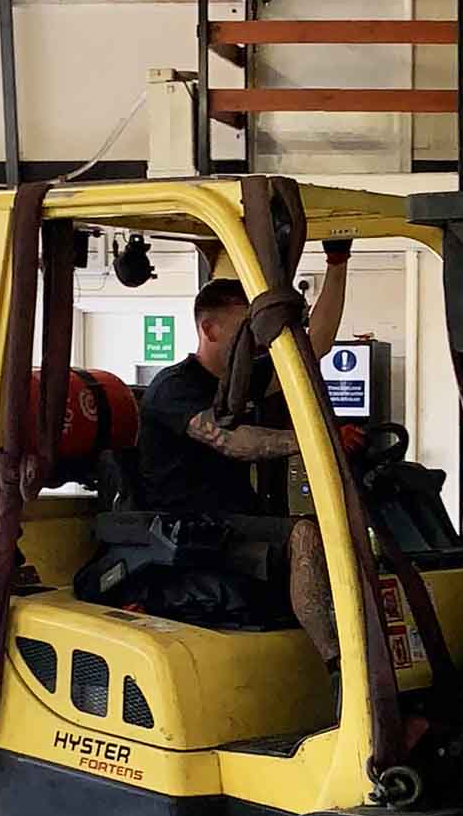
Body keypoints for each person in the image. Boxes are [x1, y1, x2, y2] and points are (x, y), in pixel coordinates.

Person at [131, 244, 357, 659]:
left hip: (234, 520)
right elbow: (230, 441)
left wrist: (337, 266)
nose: (255, 343)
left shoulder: (240, 380)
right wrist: (313, 440)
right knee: (303, 535)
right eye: (246, 330)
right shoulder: (174, 388)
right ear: (211, 330)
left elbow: (314, 349)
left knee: (346, 534)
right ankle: (340, 668)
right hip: (190, 528)